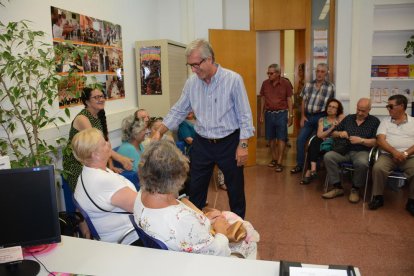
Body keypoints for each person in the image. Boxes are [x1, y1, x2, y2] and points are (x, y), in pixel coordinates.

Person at [153, 39, 254, 219]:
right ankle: (196, 227)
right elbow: (179, 109)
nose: (193, 69)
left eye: (196, 64)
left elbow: (245, 115)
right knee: (196, 187)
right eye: (190, 65)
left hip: (229, 142)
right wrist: (159, 131)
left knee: (235, 189)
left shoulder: (233, 80)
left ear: (210, 59)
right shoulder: (192, 83)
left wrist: (243, 145)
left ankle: (238, 228)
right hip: (202, 143)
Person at [134, 140, 258, 258]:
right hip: (199, 262)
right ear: (176, 177)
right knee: (251, 240)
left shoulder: (141, 195)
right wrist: (220, 231)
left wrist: (204, 220)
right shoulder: (182, 220)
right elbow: (217, 252)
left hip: (171, 250)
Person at [72, 128, 139, 245]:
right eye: (104, 143)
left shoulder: (85, 174)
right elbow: (142, 207)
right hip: (131, 239)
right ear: (95, 155)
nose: (109, 144)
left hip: (112, 238)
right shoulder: (104, 180)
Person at [63, 87, 133, 191]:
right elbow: (96, 145)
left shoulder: (99, 115)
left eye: (102, 96)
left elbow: (105, 143)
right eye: (96, 97)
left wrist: (111, 165)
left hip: (93, 159)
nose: (101, 99)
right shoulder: (82, 118)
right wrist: (121, 159)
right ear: (87, 102)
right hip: (78, 162)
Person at [322, 98, 380, 203]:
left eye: (363, 111)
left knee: (362, 163)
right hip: (344, 149)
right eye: (358, 109)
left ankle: (355, 189)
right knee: (328, 156)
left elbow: (376, 142)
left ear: (369, 110)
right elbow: (333, 133)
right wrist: (340, 133)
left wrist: (361, 140)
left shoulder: (374, 121)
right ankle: (337, 187)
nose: (359, 112)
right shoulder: (349, 118)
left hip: (362, 151)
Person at [368, 95, 414, 215]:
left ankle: (412, 202)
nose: (388, 108)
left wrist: (404, 153)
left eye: (390, 106)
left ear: (402, 106)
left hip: (409, 156)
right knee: (378, 168)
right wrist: (395, 152)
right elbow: (380, 140)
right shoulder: (385, 121)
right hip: (388, 155)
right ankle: (378, 197)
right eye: (387, 106)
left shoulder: (413, 122)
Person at [291, 63, 335, 174]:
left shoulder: (330, 87)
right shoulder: (308, 85)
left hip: (321, 118)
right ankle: (300, 165)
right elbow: (303, 101)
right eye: (318, 71)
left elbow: (332, 104)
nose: (319, 74)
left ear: (326, 73)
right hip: (308, 117)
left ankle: (313, 166)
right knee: (300, 140)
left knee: (315, 141)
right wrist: (302, 116)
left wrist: (328, 121)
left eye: (322, 72)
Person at [178, 111, 227, 190]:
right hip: (192, 148)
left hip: (204, 146)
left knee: (222, 154)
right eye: (187, 110)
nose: (189, 112)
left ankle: (222, 181)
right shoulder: (183, 124)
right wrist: (205, 143)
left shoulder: (199, 121)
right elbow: (189, 140)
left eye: (191, 109)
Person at [300, 98, 345, 184]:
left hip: (333, 144)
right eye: (329, 106)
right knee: (315, 140)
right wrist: (331, 128)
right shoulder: (322, 120)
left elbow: (338, 133)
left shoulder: (340, 119)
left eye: (334, 107)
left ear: (337, 110)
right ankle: (312, 169)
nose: (330, 108)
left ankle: (310, 171)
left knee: (314, 142)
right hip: (320, 144)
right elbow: (320, 135)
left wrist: (327, 134)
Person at [259, 64, 293, 172]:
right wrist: (261, 113)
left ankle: (280, 161)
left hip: (281, 114)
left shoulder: (286, 83)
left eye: (271, 73)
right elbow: (263, 99)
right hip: (269, 114)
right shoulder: (265, 84)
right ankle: (274, 158)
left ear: (278, 73)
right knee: (271, 138)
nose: (269, 75)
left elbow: (289, 100)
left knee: (281, 138)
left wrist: (291, 115)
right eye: (268, 73)